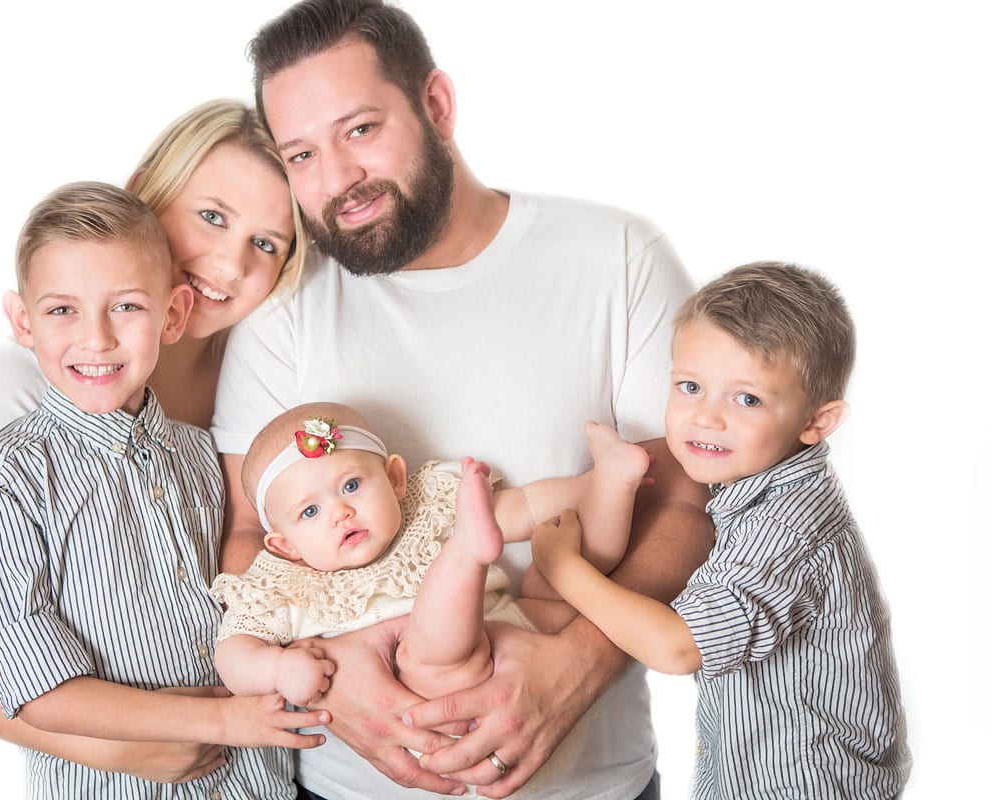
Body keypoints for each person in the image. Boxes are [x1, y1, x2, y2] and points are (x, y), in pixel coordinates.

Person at [211, 2, 716, 798]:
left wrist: (575, 667)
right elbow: (248, 534)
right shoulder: (282, 311)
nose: (336, 181)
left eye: (360, 130)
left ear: (436, 105)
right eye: (301, 154)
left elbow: (687, 504)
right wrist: (341, 691)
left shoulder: (614, 258)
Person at [0, 99, 311, 788]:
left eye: (266, 243)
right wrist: (112, 744)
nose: (229, 265)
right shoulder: (20, 397)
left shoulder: (254, 374)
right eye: (212, 216)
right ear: (147, 190)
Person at [531, 262, 912, 799]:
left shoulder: (784, 527)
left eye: (747, 398)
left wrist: (562, 567)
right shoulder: (753, 484)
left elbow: (677, 648)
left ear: (815, 423)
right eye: (690, 386)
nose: (705, 418)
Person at [211, 401, 620, 709]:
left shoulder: (428, 510)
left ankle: (619, 484)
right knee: (426, 652)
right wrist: (278, 670)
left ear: (395, 479)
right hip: (437, 686)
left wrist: (589, 484)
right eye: (311, 512)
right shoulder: (285, 587)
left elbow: (529, 506)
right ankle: (463, 557)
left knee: (563, 568)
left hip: (521, 649)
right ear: (286, 546)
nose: (341, 513)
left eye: (351, 485)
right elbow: (232, 654)